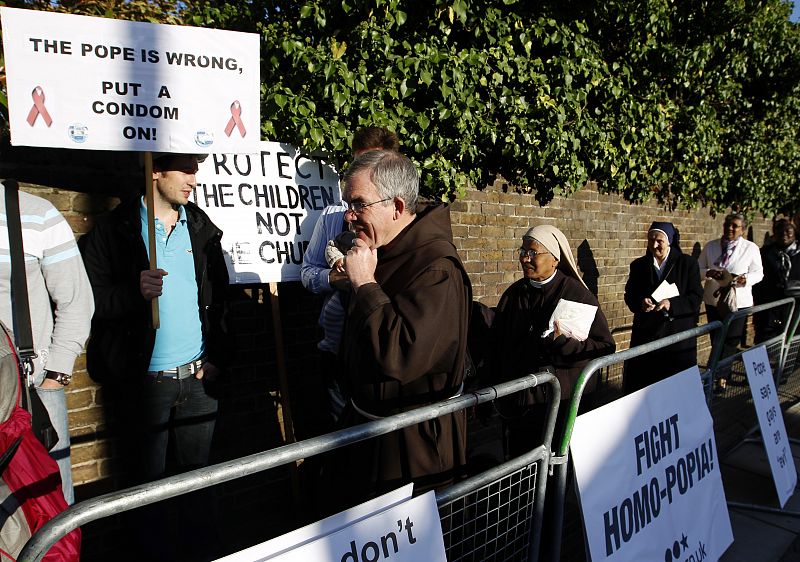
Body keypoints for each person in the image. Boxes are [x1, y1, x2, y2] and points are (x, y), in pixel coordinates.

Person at [78, 153, 228, 561]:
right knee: (148, 492)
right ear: (154, 171)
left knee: (201, 482)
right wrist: (132, 292)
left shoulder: (200, 228)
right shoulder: (114, 231)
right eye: (186, 168)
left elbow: (220, 298)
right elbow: (89, 302)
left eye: (197, 168)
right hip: (145, 384)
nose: (194, 178)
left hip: (198, 378)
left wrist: (216, 356)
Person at [330, 149, 471, 503]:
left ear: (395, 206)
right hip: (371, 427)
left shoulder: (437, 269)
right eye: (348, 203)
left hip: (413, 445)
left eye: (359, 204)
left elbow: (401, 356)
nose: (349, 215)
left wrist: (365, 285)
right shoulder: (383, 249)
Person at [484, 225, 615, 458]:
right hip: (518, 408)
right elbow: (495, 345)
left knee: (553, 474)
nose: (525, 258)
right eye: (523, 251)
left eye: (533, 253)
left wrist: (565, 344)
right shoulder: (513, 295)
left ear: (555, 259)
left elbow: (605, 347)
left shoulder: (578, 295)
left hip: (557, 408)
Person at [300, 126, 400, 429]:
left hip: (381, 354)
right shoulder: (332, 217)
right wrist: (335, 279)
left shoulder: (403, 222)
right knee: (341, 436)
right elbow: (308, 272)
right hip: (337, 348)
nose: (368, 175)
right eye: (360, 165)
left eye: (378, 167)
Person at [0, 182, 93, 505]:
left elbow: (76, 301)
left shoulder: (36, 214)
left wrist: (56, 376)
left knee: (50, 507)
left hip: (32, 390)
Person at [623, 222, 703, 393]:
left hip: (676, 337)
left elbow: (695, 297)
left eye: (659, 240)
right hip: (646, 335)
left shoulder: (687, 264)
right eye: (651, 240)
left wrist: (671, 304)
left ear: (669, 241)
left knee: (673, 390)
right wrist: (640, 302)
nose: (654, 245)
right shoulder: (638, 266)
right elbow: (630, 295)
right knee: (643, 387)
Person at [698, 213, 764, 385]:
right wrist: (708, 273)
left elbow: (759, 273)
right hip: (714, 301)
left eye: (735, 226)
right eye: (727, 224)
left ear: (742, 229)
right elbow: (698, 268)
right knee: (716, 338)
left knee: (730, 340)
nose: (730, 228)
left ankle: (721, 377)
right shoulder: (711, 247)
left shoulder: (750, 248)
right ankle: (718, 374)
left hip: (739, 302)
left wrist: (746, 279)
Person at [753, 219, 800, 343]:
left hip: (795, 311)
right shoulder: (764, 254)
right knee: (762, 346)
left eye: (788, 231)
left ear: (794, 232)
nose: (783, 234)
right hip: (768, 310)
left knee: (792, 349)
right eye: (779, 231)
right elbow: (758, 284)